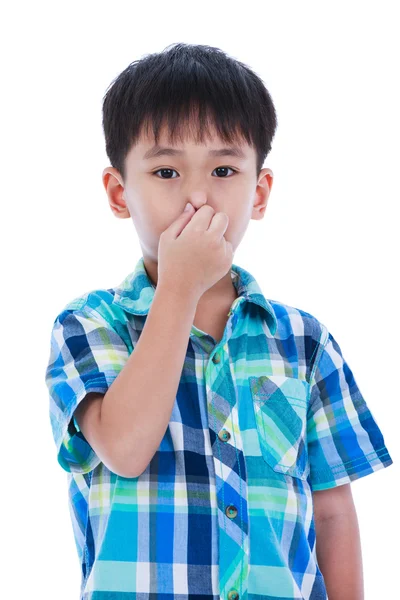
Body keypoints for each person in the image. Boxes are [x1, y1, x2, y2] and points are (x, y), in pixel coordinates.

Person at [44, 43, 393, 600]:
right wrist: (179, 288)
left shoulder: (304, 343)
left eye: (224, 169)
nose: (198, 197)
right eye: (165, 171)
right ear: (118, 193)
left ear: (258, 193)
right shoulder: (89, 325)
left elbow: (330, 511)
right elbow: (125, 448)